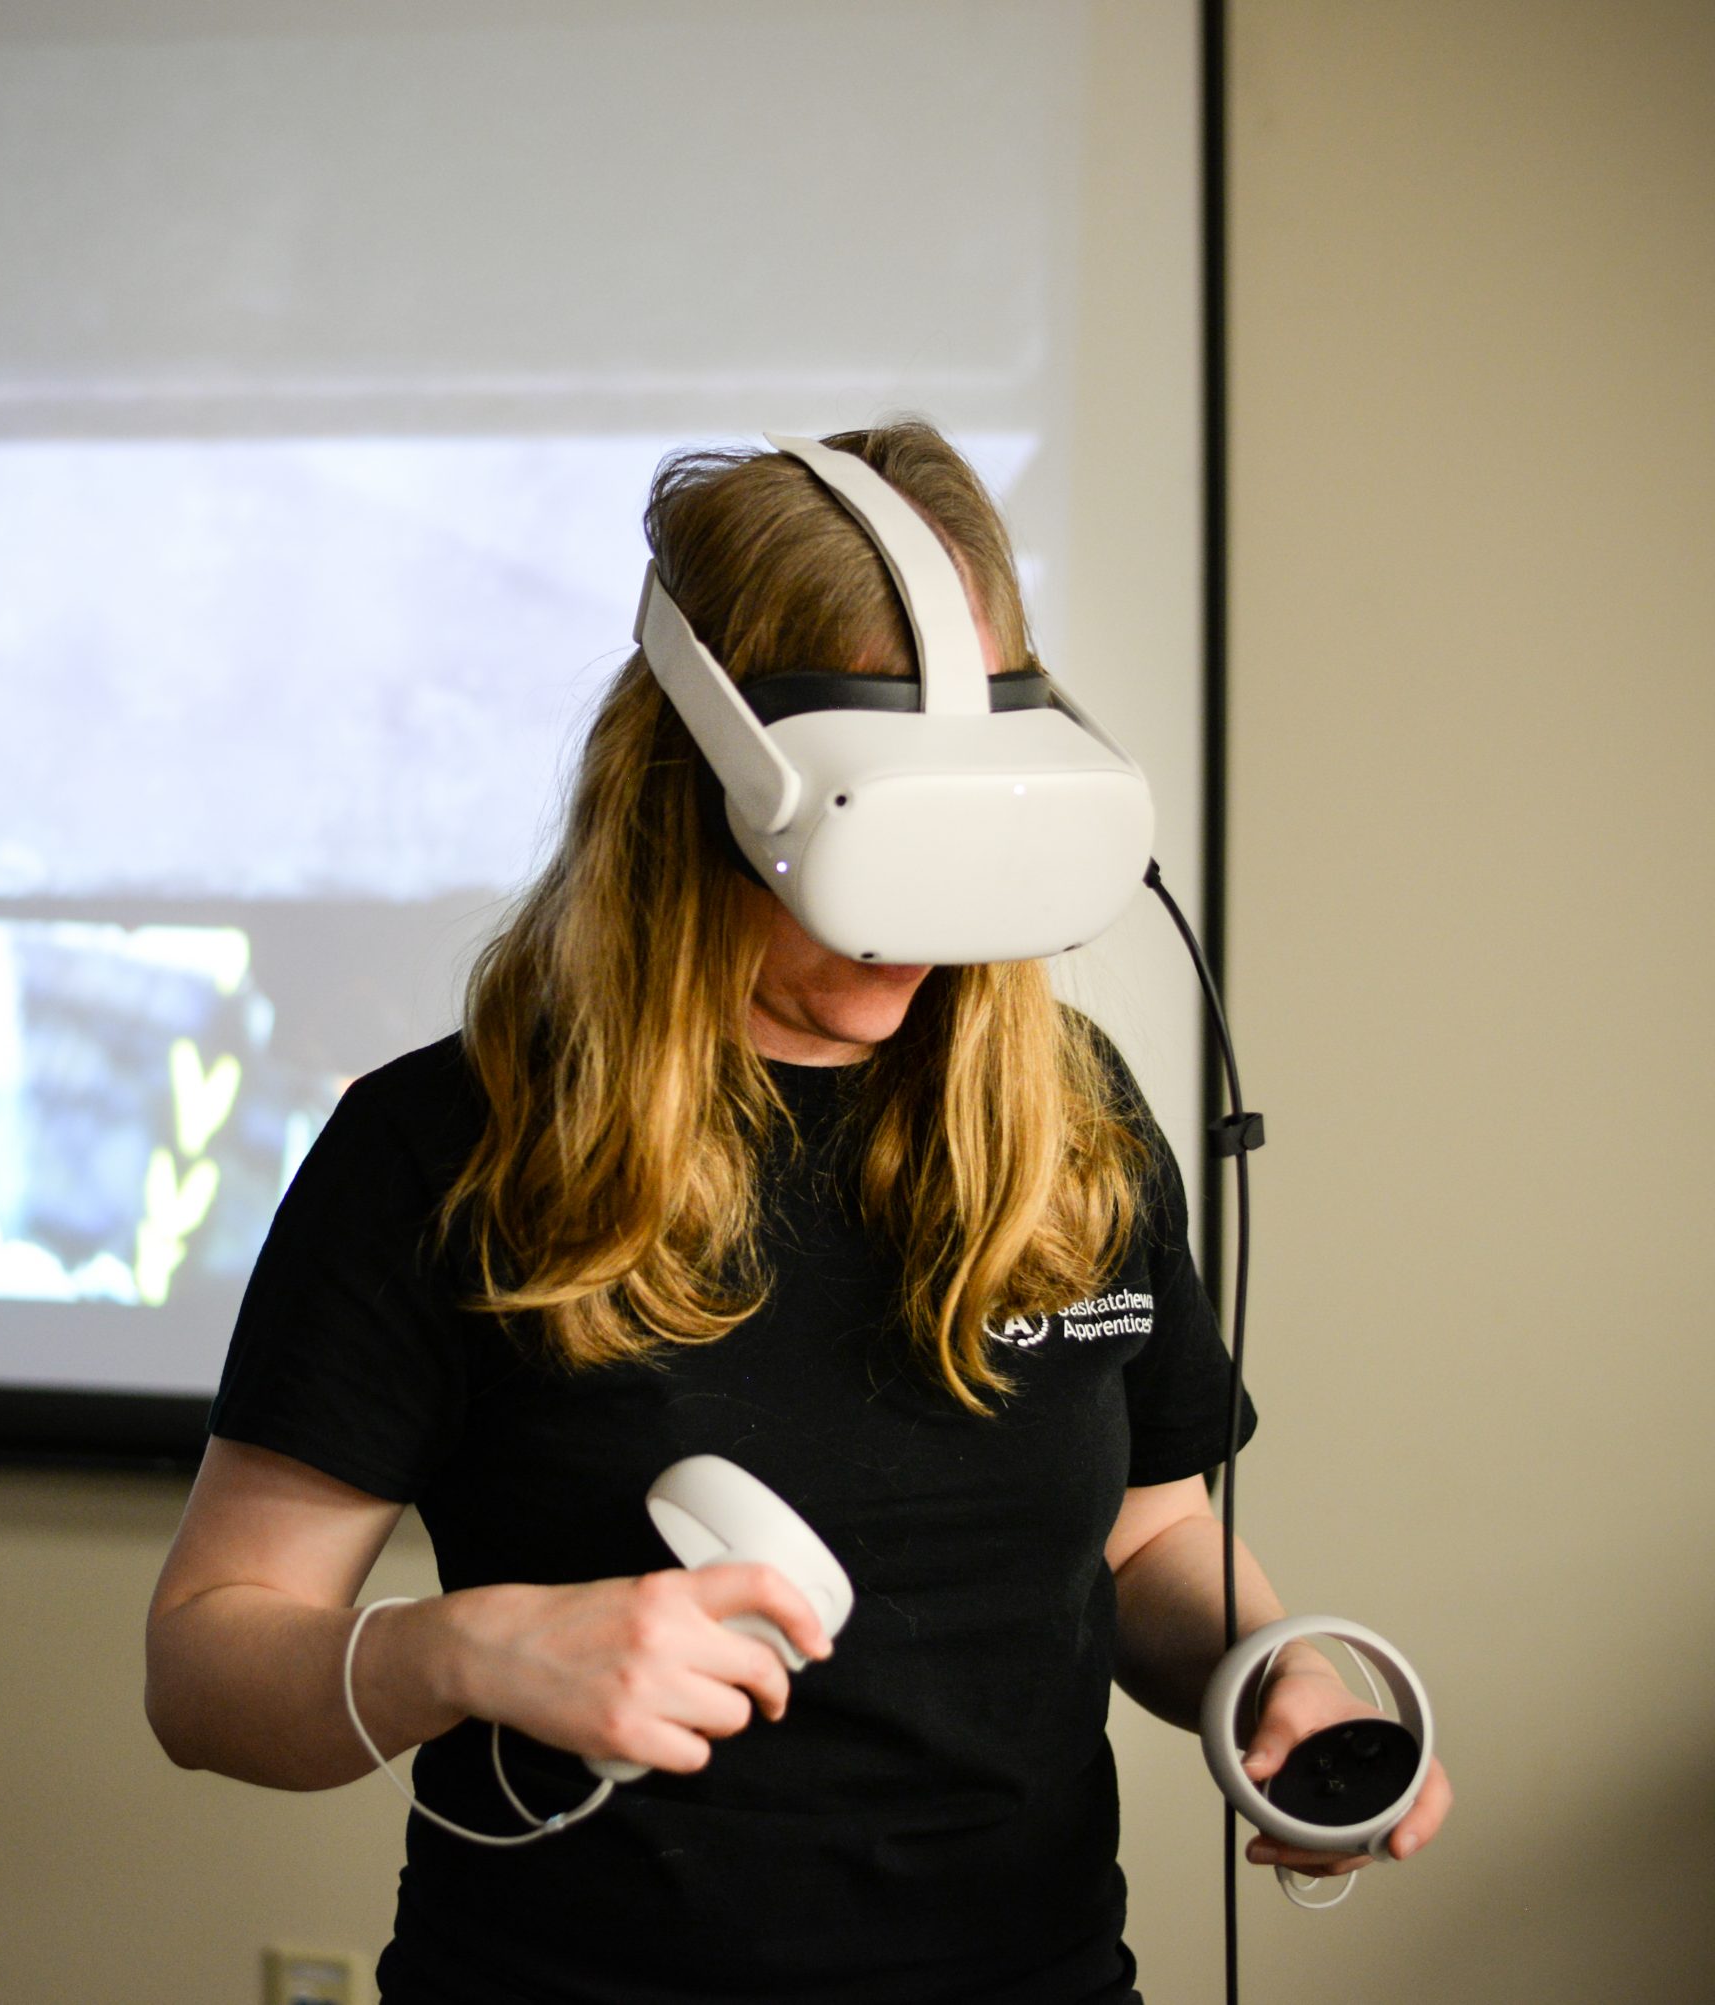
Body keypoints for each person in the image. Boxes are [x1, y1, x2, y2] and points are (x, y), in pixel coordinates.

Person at [143, 424, 1450, 2003]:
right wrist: (470, 1650)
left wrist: (1271, 1673)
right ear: (694, 789)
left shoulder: (1070, 1119)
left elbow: (1151, 1529)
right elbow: (207, 1663)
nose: (915, 929)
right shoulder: (443, 1147)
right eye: (860, 839)